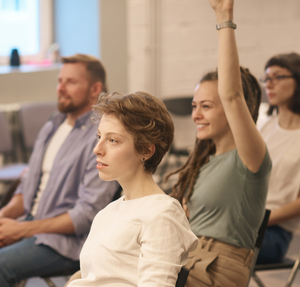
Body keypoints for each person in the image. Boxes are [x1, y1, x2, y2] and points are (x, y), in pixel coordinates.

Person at [165, 1, 272, 286]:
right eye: (194, 105)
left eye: (207, 106)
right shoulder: (203, 163)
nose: (196, 115)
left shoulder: (251, 158)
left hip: (218, 269)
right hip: (186, 260)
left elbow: (232, 94)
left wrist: (224, 17)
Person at [0, 54, 119, 286]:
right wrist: (4, 216)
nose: (61, 88)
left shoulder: (100, 136)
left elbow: (85, 215)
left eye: (71, 82)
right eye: (60, 81)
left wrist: (22, 229)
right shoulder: (54, 123)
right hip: (31, 224)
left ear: (95, 89)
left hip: (66, 242)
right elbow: (28, 185)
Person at [66, 91, 198, 287]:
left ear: (145, 150)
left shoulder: (162, 214)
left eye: (113, 140)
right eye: (99, 136)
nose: (97, 149)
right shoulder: (109, 211)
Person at [256, 52, 300, 264]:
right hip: (246, 219)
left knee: (213, 244)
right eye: (267, 78)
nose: (269, 84)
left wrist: (261, 220)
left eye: (278, 77)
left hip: (275, 232)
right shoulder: (264, 125)